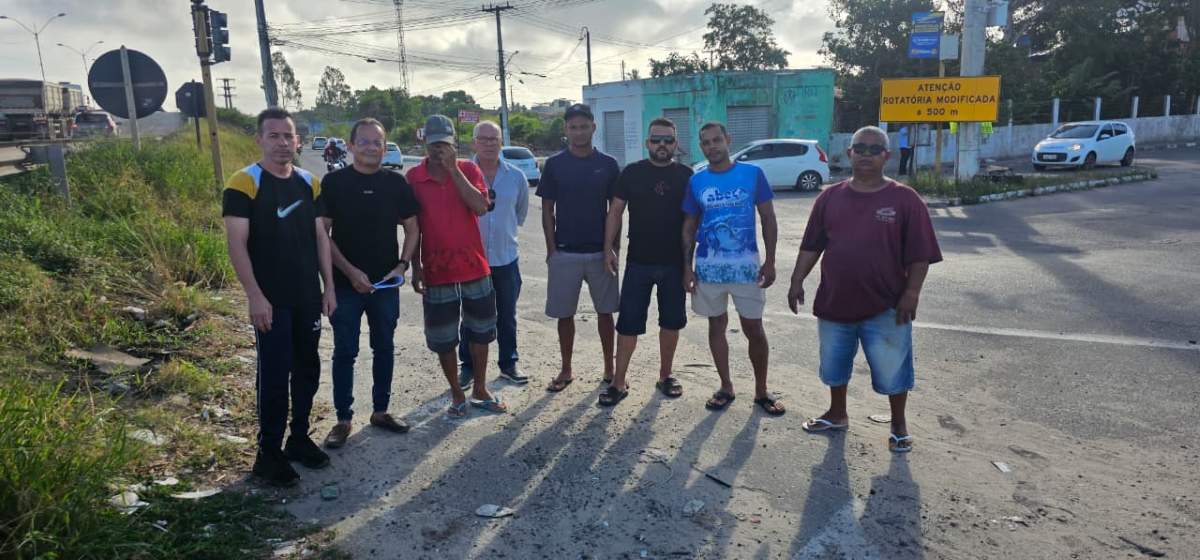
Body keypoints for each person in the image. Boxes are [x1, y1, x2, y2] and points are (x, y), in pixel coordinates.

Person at [787, 125, 943, 453]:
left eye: (875, 150)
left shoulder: (905, 199)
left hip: (887, 306)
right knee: (834, 366)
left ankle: (898, 424)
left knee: (893, 369)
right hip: (835, 302)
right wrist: (796, 280)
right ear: (850, 153)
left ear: (887, 155)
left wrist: (911, 293)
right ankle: (837, 413)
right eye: (860, 148)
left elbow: (920, 254)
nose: (866, 155)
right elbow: (812, 244)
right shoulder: (829, 197)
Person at [223, 107, 337, 487]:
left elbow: (321, 238)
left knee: (307, 369)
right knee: (273, 375)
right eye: (273, 136)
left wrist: (329, 286)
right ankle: (268, 454)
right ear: (259, 140)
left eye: (288, 136)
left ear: (297, 141)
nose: (282, 143)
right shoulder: (245, 183)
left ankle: (298, 438)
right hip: (271, 300)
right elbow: (236, 245)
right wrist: (254, 296)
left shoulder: (309, 183)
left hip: (307, 297)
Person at [320, 118, 421, 448]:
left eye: (377, 142)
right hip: (344, 285)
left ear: (384, 146)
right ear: (350, 146)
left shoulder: (395, 183)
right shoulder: (334, 183)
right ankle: (343, 419)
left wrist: (402, 265)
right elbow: (322, 233)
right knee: (345, 351)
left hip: (384, 286)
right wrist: (350, 272)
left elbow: (413, 227)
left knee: (384, 348)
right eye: (363, 141)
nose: (370, 147)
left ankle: (380, 411)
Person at [406, 114, 507, 418]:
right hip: (437, 269)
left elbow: (480, 207)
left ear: (454, 144)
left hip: (474, 266)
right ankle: (456, 393)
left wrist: (453, 170)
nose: (439, 150)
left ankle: (480, 388)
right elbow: (413, 228)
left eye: (444, 144)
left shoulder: (469, 169)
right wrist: (416, 266)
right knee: (443, 337)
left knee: (482, 331)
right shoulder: (414, 177)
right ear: (424, 143)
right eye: (433, 144)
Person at [682, 122, 784, 416]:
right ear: (701, 147)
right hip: (708, 270)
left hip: (746, 270)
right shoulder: (697, 181)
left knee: (754, 328)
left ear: (728, 140)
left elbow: (768, 218)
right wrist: (686, 268)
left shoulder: (752, 174)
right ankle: (726, 387)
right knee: (716, 325)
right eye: (706, 143)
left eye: (717, 140)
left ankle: (761, 390)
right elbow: (688, 227)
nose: (712, 146)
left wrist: (770, 261)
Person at [598, 117, 692, 406]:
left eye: (668, 140)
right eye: (656, 139)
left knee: (671, 322)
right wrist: (608, 249)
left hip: (674, 264)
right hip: (638, 262)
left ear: (676, 144)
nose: (662, 145)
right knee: (628, 324)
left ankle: (665, 376)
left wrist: (689, 265)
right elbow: (615, 212)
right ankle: (618, 381)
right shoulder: (632, 173)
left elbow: (692, 223)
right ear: (646, 142)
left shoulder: (687, 176)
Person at [536, 103, 622, 393]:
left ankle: (610, 369)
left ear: (593, 127)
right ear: (566, 130)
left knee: (605, 313)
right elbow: (547, 210)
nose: (579, 132)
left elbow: (616, 211)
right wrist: (551, 249)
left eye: (584, 126)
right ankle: (566, 368)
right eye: (573, 127)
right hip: (565, 252)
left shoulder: (608, 164)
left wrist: (613, 248)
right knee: (565, 315)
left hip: (600, 253)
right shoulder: (554, 164)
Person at [458, 121, 531, 390]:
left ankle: (508, 363)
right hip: (471, 261)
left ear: (501, 142)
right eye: (483, 139)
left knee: (507, 314)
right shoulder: (461, 175)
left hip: (506, 258)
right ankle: (467, 367)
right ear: (474, 142)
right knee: (470, 316)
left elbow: (519, 214)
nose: (489, 143)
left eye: (494, 139)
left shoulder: (516, 177)